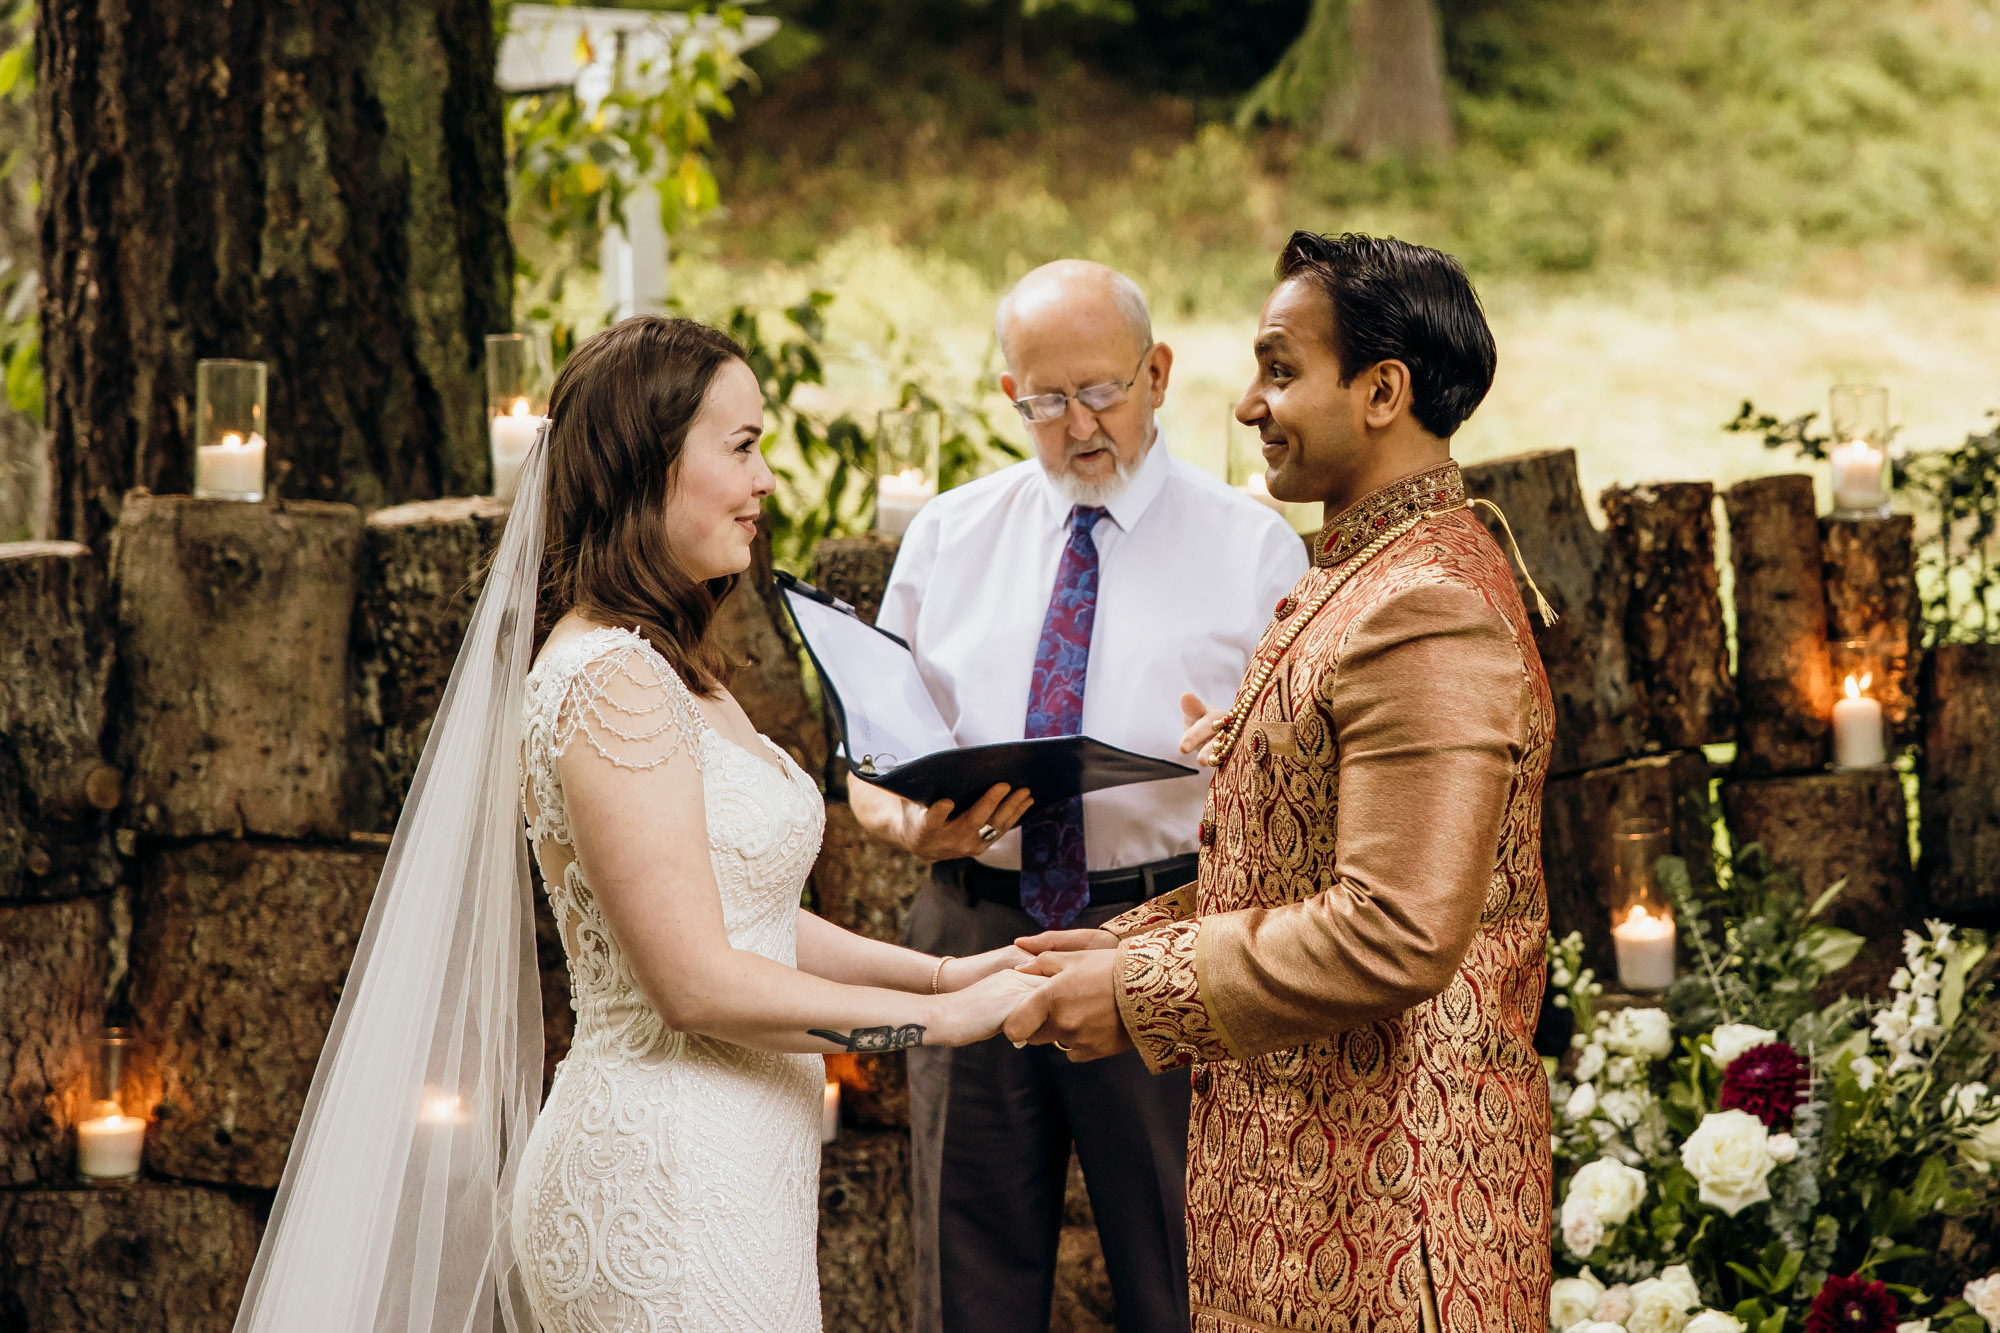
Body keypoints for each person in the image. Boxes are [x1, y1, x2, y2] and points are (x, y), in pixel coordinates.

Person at [231, 315, 1045, 1333]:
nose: (765, 483)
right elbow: (695, 981)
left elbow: (742, 915)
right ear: (646, 463)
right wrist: (935, 1026)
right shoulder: (610, 681)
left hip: (732, 1169)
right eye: (741, 447)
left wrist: (935, 974)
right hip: (662, 1183)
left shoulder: (665, 664)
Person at [1005, 233, 1557, 1333]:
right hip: (1316, 1207)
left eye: (1279, 368)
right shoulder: (1357, 574)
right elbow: (1286, 866)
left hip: (1397, 1223)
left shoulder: (1424, 603)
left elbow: (1392, 929)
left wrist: (1135, 993)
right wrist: (1128, 943)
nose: (1250, 404)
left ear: (1382, 390)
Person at [850, 259, 1308, 1333]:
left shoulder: (1253, 551)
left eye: (1100, 390)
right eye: (1045, 400)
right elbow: (870, 766)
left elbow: (1298, 784)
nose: (1078, 425)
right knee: (969, 1277)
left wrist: (1231, 763)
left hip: (1161, 926)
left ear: (1155, 373)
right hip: (972, 928)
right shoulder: (946, 538)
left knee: (1183, 1272)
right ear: (1011, 395)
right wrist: (906, 821)